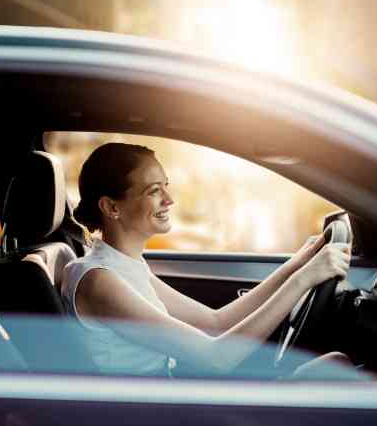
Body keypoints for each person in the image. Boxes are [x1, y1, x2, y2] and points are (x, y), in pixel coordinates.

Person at [58, 142, 350, 377]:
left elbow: (215, 321)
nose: (169, 200)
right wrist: (304, 279)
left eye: (166, 186)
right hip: (150, 414)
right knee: (336, 370)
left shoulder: (123, 266)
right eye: (154, 191)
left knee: (335, 364)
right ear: (111, 207)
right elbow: (216, 359)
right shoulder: (100, 281)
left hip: (164, 398)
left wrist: (297, 264)